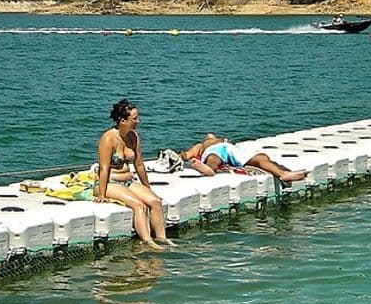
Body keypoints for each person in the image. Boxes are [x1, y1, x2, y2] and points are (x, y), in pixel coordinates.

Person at [94, 99, 174, 249]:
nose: (138, 121)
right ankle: (147, 241)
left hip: (128, 182)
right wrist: (102, 195)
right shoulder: (108, 138)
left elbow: (139, 164)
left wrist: (147, 187)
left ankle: (162, 238)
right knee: (138, 205)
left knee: (155, 201)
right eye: (134, 118)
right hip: (110, 182)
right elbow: (104, 168)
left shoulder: (133, 137)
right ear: (123, 120)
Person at [181, 133, 309, 184]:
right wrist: (180, 156)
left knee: (260, 158)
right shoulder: (201, 146)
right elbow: (186, 155)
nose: (209, 135)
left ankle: (283, 174)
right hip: (215, 150)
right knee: (213, 158)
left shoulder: (223, 142)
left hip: (232, 150)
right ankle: (208, 169)